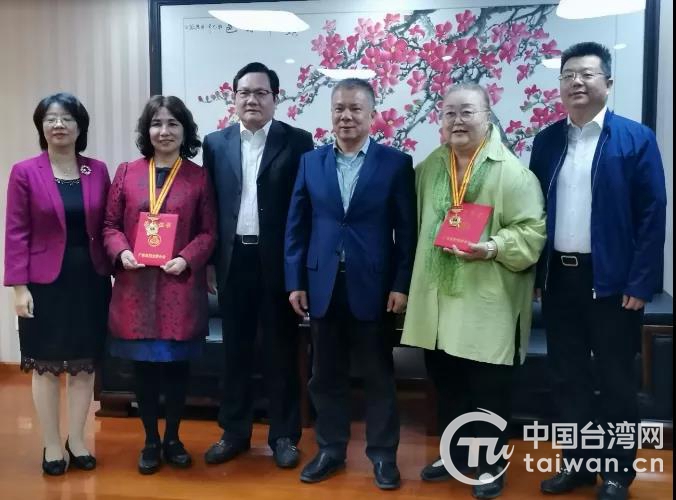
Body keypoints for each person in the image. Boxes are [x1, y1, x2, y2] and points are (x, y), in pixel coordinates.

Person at [530, 42, 666, 500]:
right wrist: (538, 276)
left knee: (615, 381)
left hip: (613, 283)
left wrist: (641, 281)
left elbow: (652, 213)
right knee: (567, 378)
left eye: (587, 74)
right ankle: (577, 464)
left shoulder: (634, 138)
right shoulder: (547, 141)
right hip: (561, 280)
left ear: (608, 82)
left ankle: (617, 473)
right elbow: (534, 214)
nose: (577, 82)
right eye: (568, 75)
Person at [400, 83, 546, 499]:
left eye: (467, 112)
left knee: (488, 390)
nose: (457, 121)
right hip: (438, 301)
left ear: (487, 116)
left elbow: (532, 233)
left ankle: (490, 464)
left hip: (487, 300)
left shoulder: (512, 173)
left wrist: (493, 246)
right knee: (448, 385)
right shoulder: (431, 166)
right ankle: (455, 454)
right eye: (449, 113)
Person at [285, 78, 416, 490]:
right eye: (339, 108)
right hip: (322, 285)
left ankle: (383, 456)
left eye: (355, 109)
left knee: (378, 375)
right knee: (325, 375)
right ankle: (330, 450)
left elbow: (406, 232)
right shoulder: (311, 162)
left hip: (374, 287)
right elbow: (296, 227)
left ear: (372, 115)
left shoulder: (395, 163)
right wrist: (295, 281)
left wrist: (401, 283)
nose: (346, 116)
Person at [202, 62, 314, 469]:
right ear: (233, 98)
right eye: (244, 92)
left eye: (261, 92)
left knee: (281, 352)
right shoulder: (215, 143)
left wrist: (300, 271)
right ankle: (234, 432)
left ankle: (284, 436)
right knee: (235, 352)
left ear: (275, 98)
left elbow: (305, 208)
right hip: (233, 260)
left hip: (278, 263)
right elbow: (210, 206)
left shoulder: (298, 141)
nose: (252, 99)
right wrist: (210, 262)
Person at [103, 95, 216, 475]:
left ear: (185, 130)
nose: (164, 131)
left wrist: (186, 257)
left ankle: (174, 439)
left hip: (178, 287)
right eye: (156, 123)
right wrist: (121, 252)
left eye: (172, 123)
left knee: (177, 369)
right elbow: (110, 225)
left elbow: (209, 232)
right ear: (146, 130)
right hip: (136, 286)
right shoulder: (127, 172)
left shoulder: (199, 177)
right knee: (144, 371)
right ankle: (151, 440)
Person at [3, 93, 112, 475]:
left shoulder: (97, 170)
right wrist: (19, 288)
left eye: (66, 118)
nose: (58, 124)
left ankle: (77, 440)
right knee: (46, 365)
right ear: (41, 126)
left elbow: (108, 224)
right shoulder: (24, 172)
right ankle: (51, 443)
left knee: (84, 365)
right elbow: (16, 231)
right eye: (50, 118)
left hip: (91, 280)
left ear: (80, 127)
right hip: (44, 284)